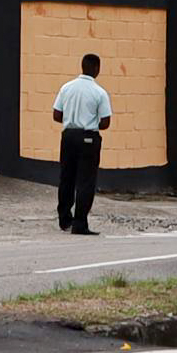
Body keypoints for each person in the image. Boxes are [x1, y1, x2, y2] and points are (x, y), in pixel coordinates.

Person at [50, 50, 113, 235]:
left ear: (82, 66)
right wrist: (91, 123)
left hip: (68, 136)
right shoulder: (99, 92)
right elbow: (106, 122)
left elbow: (56, 115)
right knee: (85, 182)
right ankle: (80, 223)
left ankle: (64, 219)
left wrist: (72, 119)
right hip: (88, 139)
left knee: (66, 178)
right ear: (96, 68)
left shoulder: (66, 88)